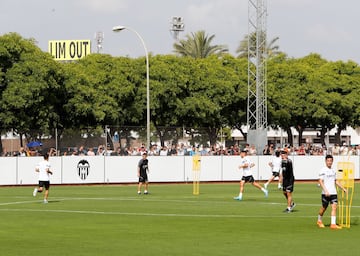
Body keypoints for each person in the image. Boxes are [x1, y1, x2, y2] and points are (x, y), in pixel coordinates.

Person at [317, 155, 347, 229]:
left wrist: (343, 188)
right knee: (324, 208)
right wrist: (325, 190)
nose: (329, 162)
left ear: (332, 161)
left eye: (331, 161)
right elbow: (320, 181)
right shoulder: (323, 170)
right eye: (328, 161)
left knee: (334, 207)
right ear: (325, 161)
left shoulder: (333, 170)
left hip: (333, 192)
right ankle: (319, 220)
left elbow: (336, 181)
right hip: (325, 193)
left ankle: (333, 224)